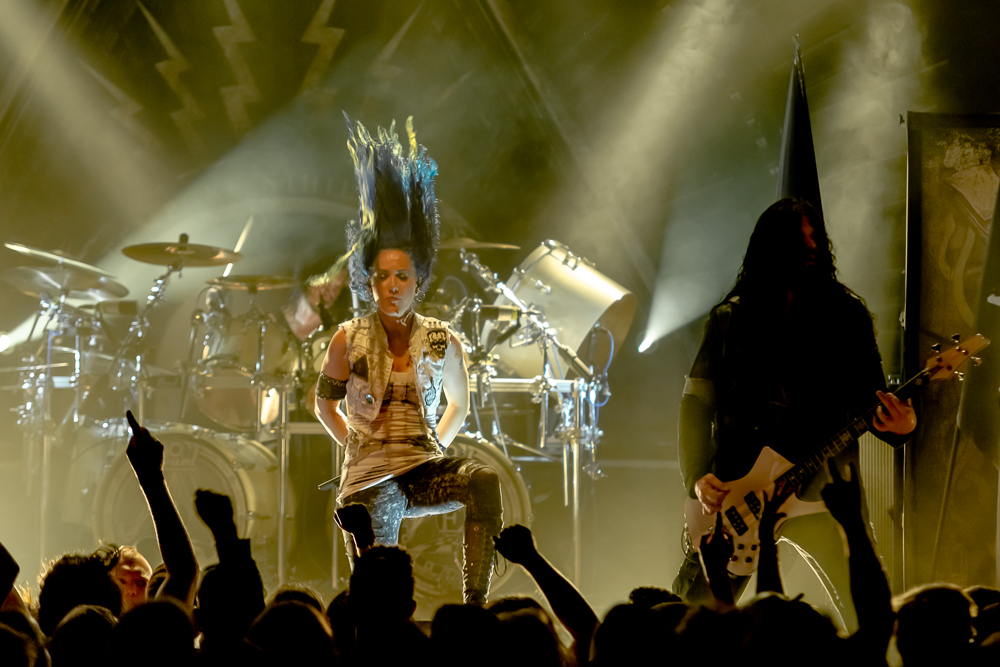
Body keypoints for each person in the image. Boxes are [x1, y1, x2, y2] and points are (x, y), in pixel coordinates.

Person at [672, 197, 917, 628]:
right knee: (688, 624)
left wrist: (903, 427)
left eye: (815, 237)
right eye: (799, 239)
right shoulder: (730, 319)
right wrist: (696, 475)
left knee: (869, 617)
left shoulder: (847, 316)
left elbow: (871, 403)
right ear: (770, 248)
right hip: (738, 490)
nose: (812, 246)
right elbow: (696, 405)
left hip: (824, 490)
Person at [314, 115, 503, 605]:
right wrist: (356, 443)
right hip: (369, 478)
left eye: (402, 276)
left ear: (418, 280)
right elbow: (323, 405)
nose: (393, 286)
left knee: (483, 480)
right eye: (383, 276)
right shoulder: (346, 339)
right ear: (368, 282)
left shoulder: (442, 340)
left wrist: (436, 444)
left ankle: (475, 604)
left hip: (421, 470)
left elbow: (459, 404)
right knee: (379, 586)